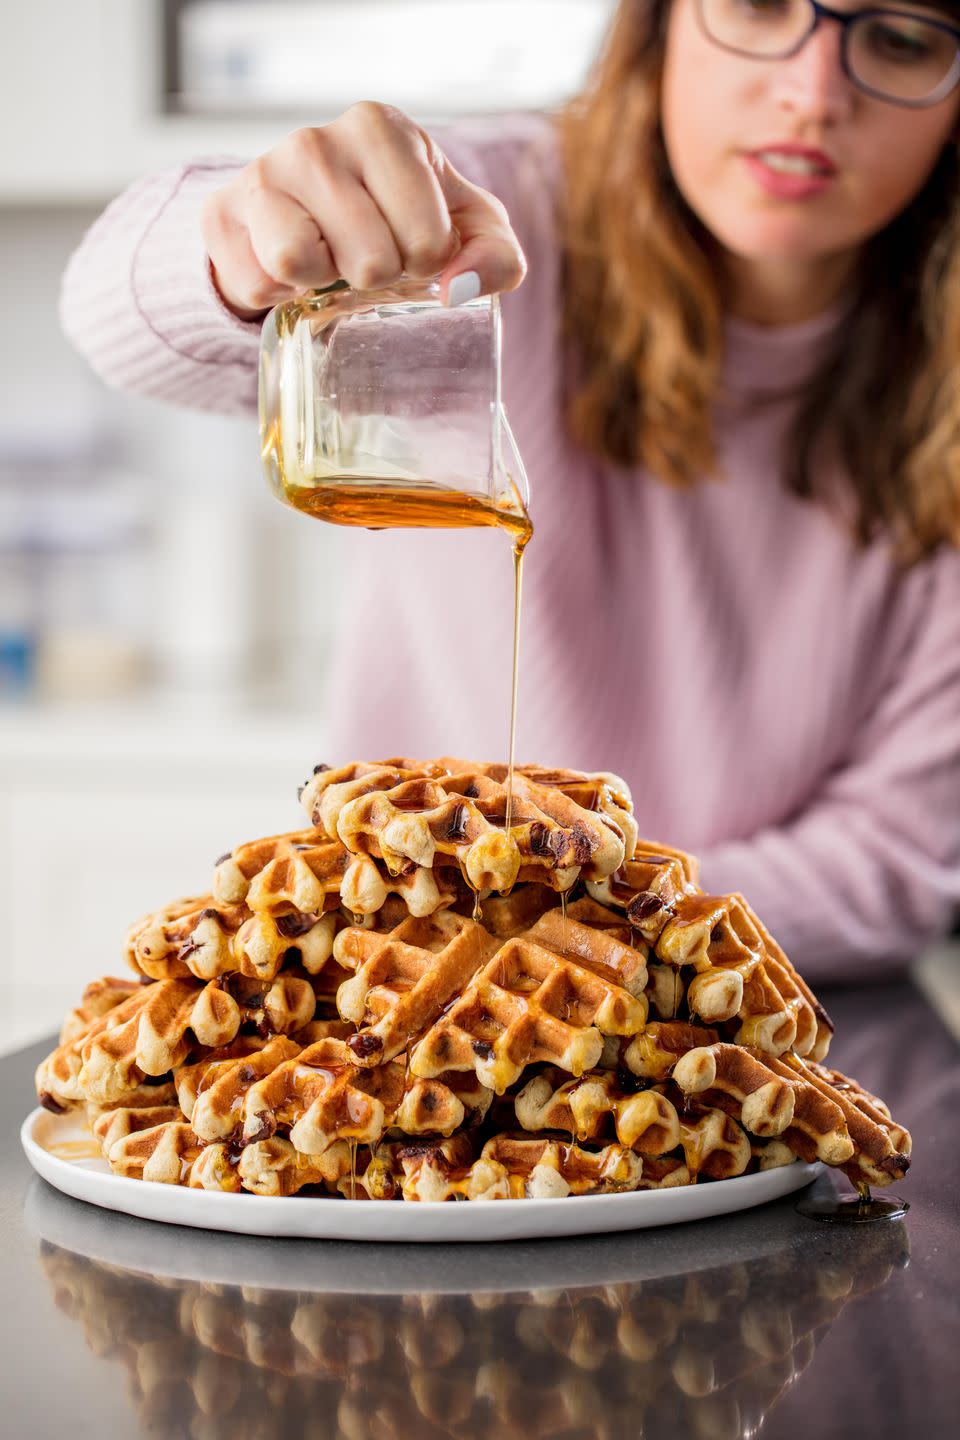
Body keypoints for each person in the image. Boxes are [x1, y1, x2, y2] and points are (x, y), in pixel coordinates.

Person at [59, 0, 960, 982]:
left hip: (776, 1003)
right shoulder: (487, 223)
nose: (812, 93)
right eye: (757, 6)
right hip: (392, 998)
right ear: (657, 27)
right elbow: (118, 309)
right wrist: (240, 241)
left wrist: (556, 928)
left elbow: (900, 854)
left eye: (903, 39)